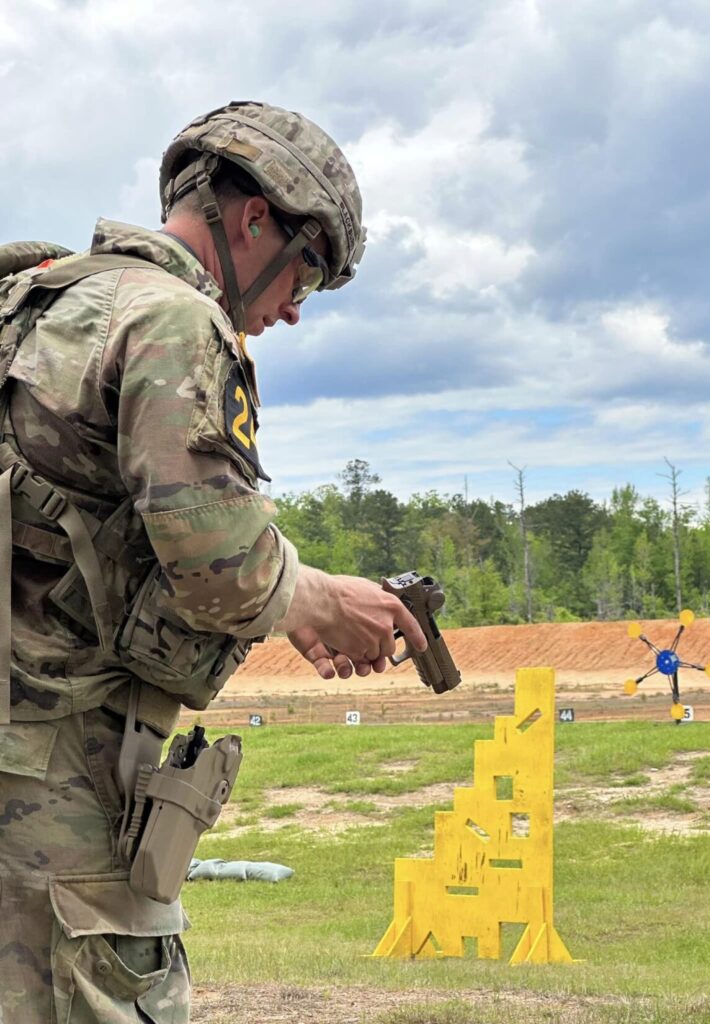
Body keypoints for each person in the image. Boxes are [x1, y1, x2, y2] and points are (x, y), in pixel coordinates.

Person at [0, 101, 426, 1023]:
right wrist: (321, 602)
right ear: (254, 218)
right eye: (308, 268)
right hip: (59, 791)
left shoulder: (31, 300)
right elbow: (220, 561)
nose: (297, 308)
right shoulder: (171, 318)